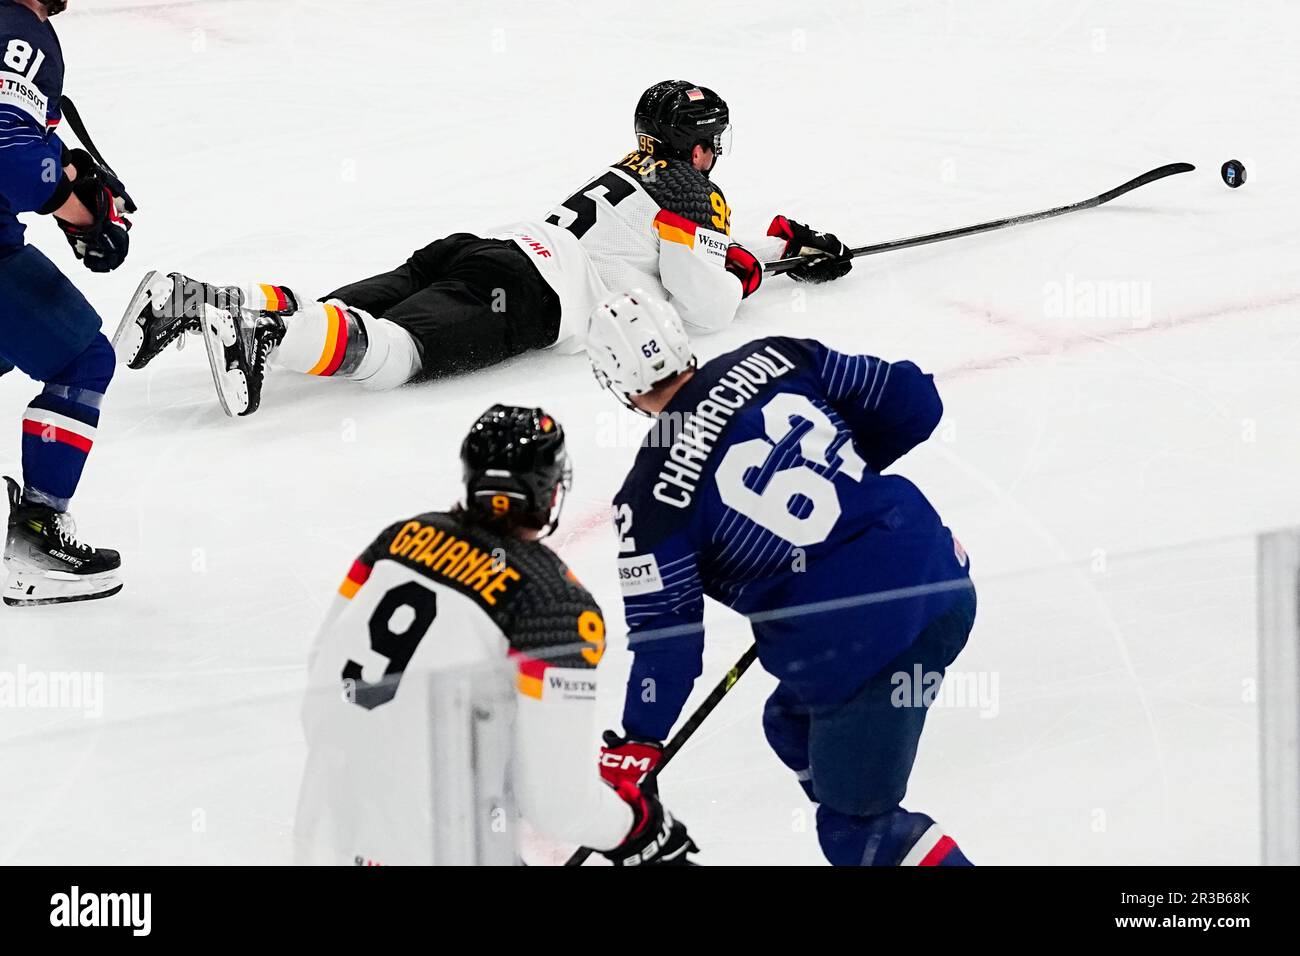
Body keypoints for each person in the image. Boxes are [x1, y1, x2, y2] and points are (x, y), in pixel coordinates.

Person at [111, 80, 853, 417]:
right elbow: (709, 307)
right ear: (697, 147)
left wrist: (775, 239)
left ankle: (197, 300)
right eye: (713, 140)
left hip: (481, 251)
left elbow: (659, 250)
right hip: (530, 296)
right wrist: (750, 270)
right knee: (395, 354)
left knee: (333, 313)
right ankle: (261, 335)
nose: (716, 152)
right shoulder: (692, 193)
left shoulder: (636, 171)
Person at [587, 289, 976, 866]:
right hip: (939, 577)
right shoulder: (776, 357)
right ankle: (873, 810)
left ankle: (876, 830)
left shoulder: (648, 502)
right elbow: (915, 402)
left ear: (619, 385)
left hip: (861, 647)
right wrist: (849, 481)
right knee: (789, 722)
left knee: (857, 832)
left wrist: (641, 739)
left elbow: (667, 645)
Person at [295, 404, 697, 866]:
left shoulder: (397, 541)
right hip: (442, 847)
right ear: (550, 491)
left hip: (328, 832)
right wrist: (641, 828)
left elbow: (322, 677)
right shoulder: (554, 604)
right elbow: (558, 803)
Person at [0, 0, 133, 605]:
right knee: (81, 361)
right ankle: (36, 541)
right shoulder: (18, 28)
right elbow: (10, 159)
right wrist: (79, 208)